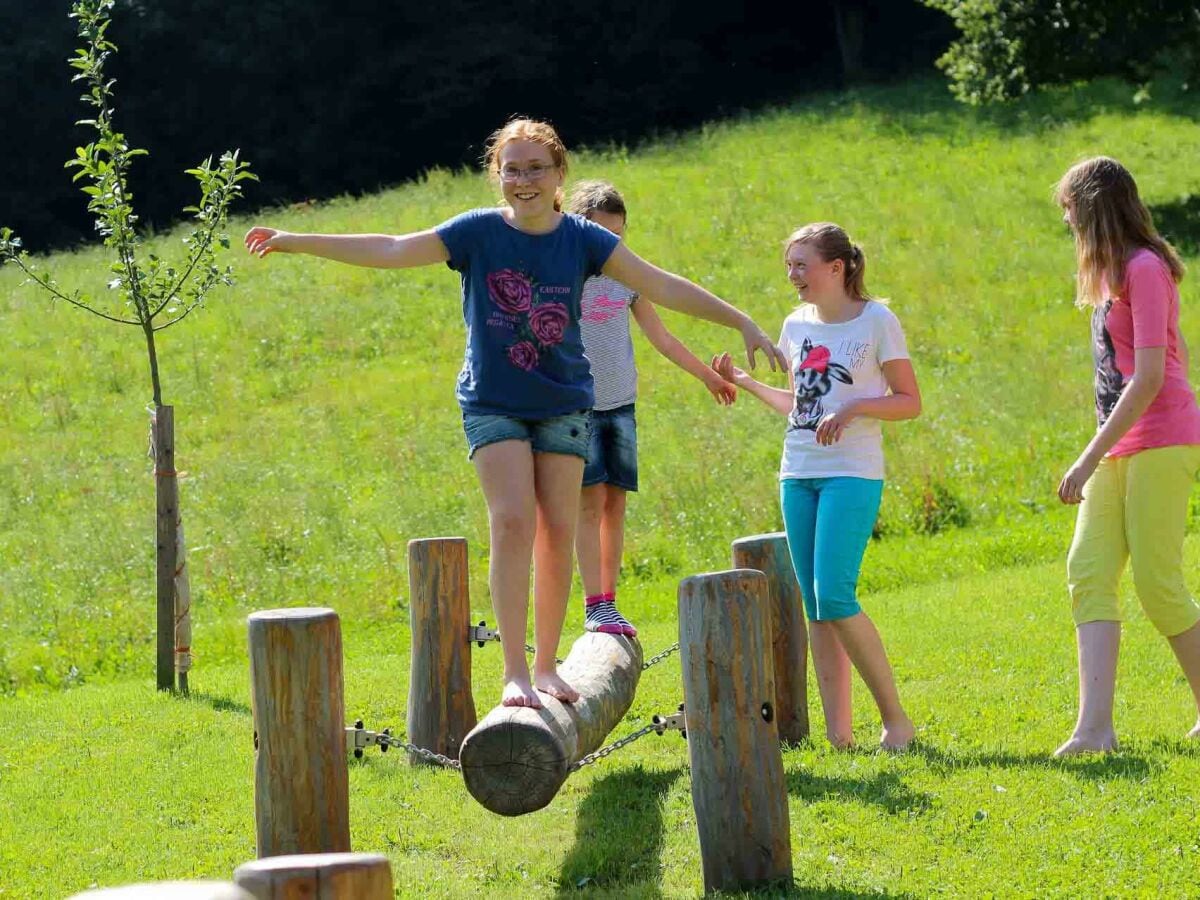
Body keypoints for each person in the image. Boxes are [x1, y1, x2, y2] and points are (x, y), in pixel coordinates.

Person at [244, 117, 784, 710]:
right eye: (512, 169)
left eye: (536, 168)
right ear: (496, 174)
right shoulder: (475, 233)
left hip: (563, 402)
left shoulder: (584, 238)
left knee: (556, 530)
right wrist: (296, 239)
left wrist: (741, 321)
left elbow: (662, 283)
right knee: (511, 522)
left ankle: (547, 666)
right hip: (493, 403)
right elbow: (393, 248)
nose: (524, 180)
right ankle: (514, 674)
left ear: (558, 174)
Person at [711, 222, 920, 750]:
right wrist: (747, 383)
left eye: (801, 265)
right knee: (816, 606)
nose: (793, 275)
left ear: (837, 267)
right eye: (789, 265)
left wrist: (854, 407)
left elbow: (909, 400)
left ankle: (897, 722)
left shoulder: (877, 320)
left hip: (851, 473)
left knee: (835, 594)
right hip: (796, 472)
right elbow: (798, 405)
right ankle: (840, 738)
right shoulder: (796, 323)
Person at [1053, 156, 1200, 756]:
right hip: (1122, 444)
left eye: (1069, 209)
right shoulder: (1114, 275)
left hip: (1161, 439)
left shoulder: (1144, 268)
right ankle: (1095, 730)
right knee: (1088, 571)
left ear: (1092, 207)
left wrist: (1086, 458)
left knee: (1158, 583)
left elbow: (1150, 378)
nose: (1066, 221)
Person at [567, 180, 736, 637]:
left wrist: (707, 374)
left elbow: (661, 338)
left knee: (615, 504)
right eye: (603, 234)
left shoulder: (629, 278)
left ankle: (610, 602)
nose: (612, 244)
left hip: (621, 404)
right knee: (588, 504)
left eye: (619, 235)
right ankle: (593, 604)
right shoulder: (564, 275)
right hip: (577, 410)